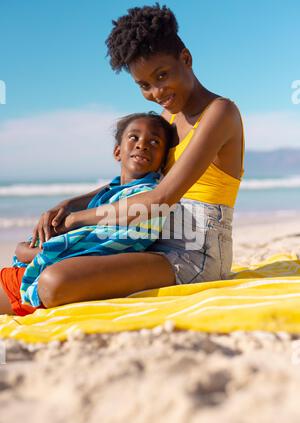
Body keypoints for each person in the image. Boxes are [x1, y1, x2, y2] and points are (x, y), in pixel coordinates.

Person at [2, 4, 244, 311]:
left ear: (186, 58)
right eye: (144, 85)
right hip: (151, 236)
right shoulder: (168, 116)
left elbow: (163, 197)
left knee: (53, 282)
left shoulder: (220, 112)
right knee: (39, 261)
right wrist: (69, 205)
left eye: (162, 75)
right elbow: (138, 182)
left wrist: (79, 218)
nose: (157, 92)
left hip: (196, 252)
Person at [0, 112, 173, 315]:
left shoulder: (145, 195)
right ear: (117, 152)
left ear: (163, 161)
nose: (142, 144)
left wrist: (29, 251)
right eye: (134, 137)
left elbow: (103, 245)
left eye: (154, 142)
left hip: (42, 279)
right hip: (34, 273)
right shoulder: (112, 191)